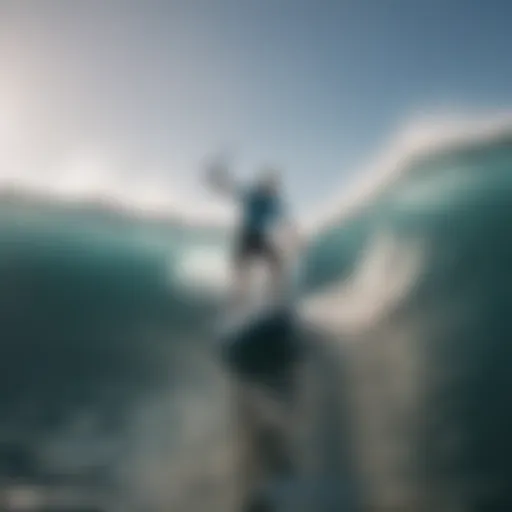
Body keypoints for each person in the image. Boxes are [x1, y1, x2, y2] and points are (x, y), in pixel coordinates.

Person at [206, 160, 298, 307]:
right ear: (265, 183)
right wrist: (217, 176)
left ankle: (273, 299)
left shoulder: (274, 201)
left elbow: (285, 221)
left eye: (274, 184)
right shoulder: (252, 193)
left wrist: (294, 236)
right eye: (270, 183)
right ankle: (236, 304)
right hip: (246, 237)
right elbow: (230, 187)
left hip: (260, 238)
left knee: (277, 264)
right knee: (243, 273)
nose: (273, 187)